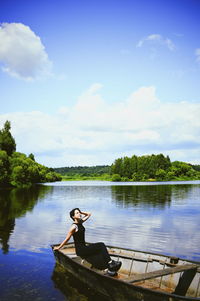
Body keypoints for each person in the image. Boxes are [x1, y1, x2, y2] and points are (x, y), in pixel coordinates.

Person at [54, 208, 122, 276]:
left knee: (99, 252)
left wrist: (81, 212)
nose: (79, 214)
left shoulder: (80, 222)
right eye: (77, 213)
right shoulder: (73, 227)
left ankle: (109, 269)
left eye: (79, 212)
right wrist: (59, 247)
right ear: (73, 216)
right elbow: (67, 239)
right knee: (101, 245)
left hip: (84, 247)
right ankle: (110, 263)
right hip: (80, 250)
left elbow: (89, 214)